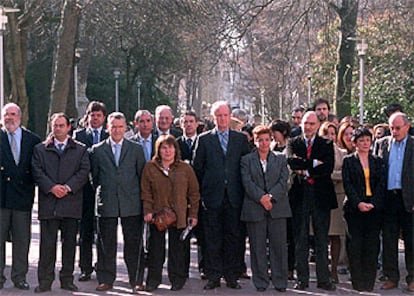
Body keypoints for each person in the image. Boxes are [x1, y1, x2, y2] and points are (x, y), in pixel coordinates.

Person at [193, 100, 250, 290]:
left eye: (225, 115)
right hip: (212, 197)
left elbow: (245, 167)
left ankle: (232, 276)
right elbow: (197, 169)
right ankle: (213, 275)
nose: (222, 119)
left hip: (234, 196)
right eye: (218, 115)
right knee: (212, 237)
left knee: (233, 237)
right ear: (213, 118)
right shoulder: (204, 139)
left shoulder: (240, 139)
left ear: (230, 117)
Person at [31, 113, 90, 293]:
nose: (58, 129)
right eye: (55, 125)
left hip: (71, 203)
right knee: (47, 246)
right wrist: (51, 187)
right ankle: (45, 281)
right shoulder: (40, 149)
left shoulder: (80, 149)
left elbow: (84, 171)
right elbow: (36, 170)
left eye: (61, 125)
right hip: (49, 203)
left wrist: (67, 187)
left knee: (70, 245)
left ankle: (67, 280)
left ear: (68, 127)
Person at [90, 112, 146, 293]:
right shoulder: (97, 150)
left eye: (120, 127)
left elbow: (141, 176)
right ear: (107, 128)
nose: (116, 130)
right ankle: (106, 279)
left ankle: (136, 280)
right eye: (113, 127)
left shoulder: (136, 149)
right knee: (106, 244)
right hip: (107, 202)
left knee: (134, 244)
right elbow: (95, 177)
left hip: (131, 203)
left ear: (126, 128)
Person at [141, 135, 199, 291]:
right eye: (164, 148)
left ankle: (177, 279)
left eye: (171, 147)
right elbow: (145, 192)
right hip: (157, 216)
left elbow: (194, 193)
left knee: (177, 250)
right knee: (155, 250)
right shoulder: (150, 168)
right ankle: (153, 280)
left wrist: (193, 214)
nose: (167, 151)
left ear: (176, 149)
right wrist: (148, 211)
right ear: (158, 150)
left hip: (179, 215)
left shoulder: (185, 168)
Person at [287, 111, 337, 291]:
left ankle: (324, 279)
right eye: (305, 123)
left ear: (317, 125)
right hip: (299, 195)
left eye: (311, 124)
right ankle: (302, 279)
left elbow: (328, 167)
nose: (307, 127)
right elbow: (292, 164)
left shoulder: (326, 143)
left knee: (322, 239)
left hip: (321, 195)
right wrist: (314, 163)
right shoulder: (294, 142)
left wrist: (305, 169)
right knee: (300, 238)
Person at [240, 125, 291, 292]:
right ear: (254, 141)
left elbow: (284, 181)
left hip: (277, 208)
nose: (263, 143)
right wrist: (261, 198)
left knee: (279, 247)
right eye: (259, 140)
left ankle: (280, 281)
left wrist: (270, 197)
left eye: (266, 140)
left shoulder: (281, 159)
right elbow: (247, 182)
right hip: (255, 207)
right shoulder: (246, 160)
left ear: (271, 140)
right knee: (257, 247)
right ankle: (261, 281)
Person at [0, 103, 41, 290]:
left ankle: (19, 277)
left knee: (22, 240)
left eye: (13, 114)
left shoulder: (32, 140)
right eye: (6, 114)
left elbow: (37, 169)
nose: (9, 117)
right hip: (1, 199)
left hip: (22, 198)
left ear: (20, 116)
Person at [374, 112, 414, 293]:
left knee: (411, 241)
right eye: (392, 128)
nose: (395, 131)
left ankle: (412, 278)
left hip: (409, 199)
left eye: (398, 128)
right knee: (389, 240)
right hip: (388, 199)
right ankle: (391, 277)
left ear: (407, 126)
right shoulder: (381, 144)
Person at [342, 127, 385, 291]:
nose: (365, 143)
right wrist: (358, 203)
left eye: (367, 140)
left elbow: (382, 184)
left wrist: (373, 202)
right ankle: (357, 281)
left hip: (374, 208)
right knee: (355, 245)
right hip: (355, 209)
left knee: (372, 245)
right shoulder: (349, 161)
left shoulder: (378, 161)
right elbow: (348, 184)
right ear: (355, 143)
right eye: (361, 140)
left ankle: (369, 282)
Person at [72, 101, 109, 282]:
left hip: (104, 190)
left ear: (104, 118)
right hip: (85, 191)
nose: (95, 118)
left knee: (103, 232)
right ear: (87, 116)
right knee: (85, 232)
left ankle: (103, 267)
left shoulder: (110, 135)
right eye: (92, 115)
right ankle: (85, 268)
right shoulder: (78, 135)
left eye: (99, 115)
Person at [318, 121, 347, 283]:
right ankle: (323, 269)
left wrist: (329, 174)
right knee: (321, 236)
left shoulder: (342, 153)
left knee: (336, 236)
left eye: (332, 133)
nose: (330, 136)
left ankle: (334, 270)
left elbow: (343, 174)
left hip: (337, 197)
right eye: (326, 133)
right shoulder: (316, 152)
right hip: (321, 196)